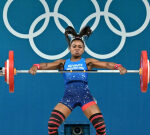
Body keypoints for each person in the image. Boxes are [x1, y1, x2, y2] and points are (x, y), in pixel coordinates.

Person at [29, 26, 127, 135]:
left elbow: (106, 64)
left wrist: (119, 67)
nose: (77, 48)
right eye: (74, 46)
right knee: (52, 124)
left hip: (85, 96)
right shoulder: (63, 63)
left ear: (83, 49)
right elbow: (46, 65)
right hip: (69, 97)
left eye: (80, 47)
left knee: (100, 126)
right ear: (69, 48)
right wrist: (36, 66)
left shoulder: (88, 62)